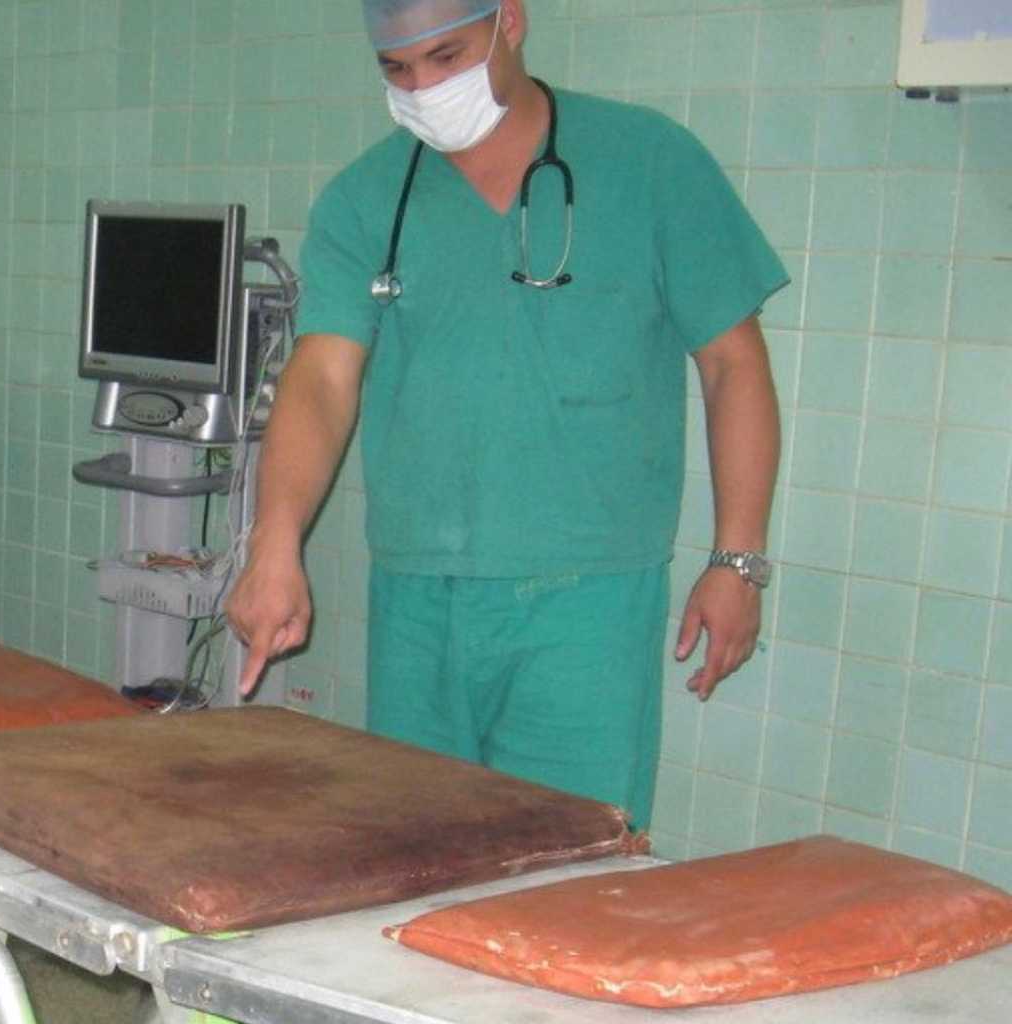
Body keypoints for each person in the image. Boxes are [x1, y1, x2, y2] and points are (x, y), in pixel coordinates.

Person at [224, 0, 785, 830]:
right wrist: (275, 543)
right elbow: (322, 379)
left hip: (584, 597)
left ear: (509, 21)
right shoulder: (367, 197)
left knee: (568, 867)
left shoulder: (648, 162)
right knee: (411, 858)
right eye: (397, 70)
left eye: (445, 56)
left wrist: (737, 560)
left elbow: (734, 363)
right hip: (419, 592)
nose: (422, 87)